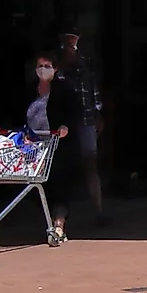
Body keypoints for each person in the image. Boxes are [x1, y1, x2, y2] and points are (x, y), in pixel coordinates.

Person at [54, 32, 109, 227]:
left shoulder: (85, 70)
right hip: (65, 126)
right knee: (62, 169)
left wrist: (98, 114)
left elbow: (94, 95)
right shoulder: (58, 73)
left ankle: (99, 211)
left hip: (86, 122)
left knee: (91, 164)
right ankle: (59, 218)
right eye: (69, 47)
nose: (73, 51)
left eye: (75, 46)